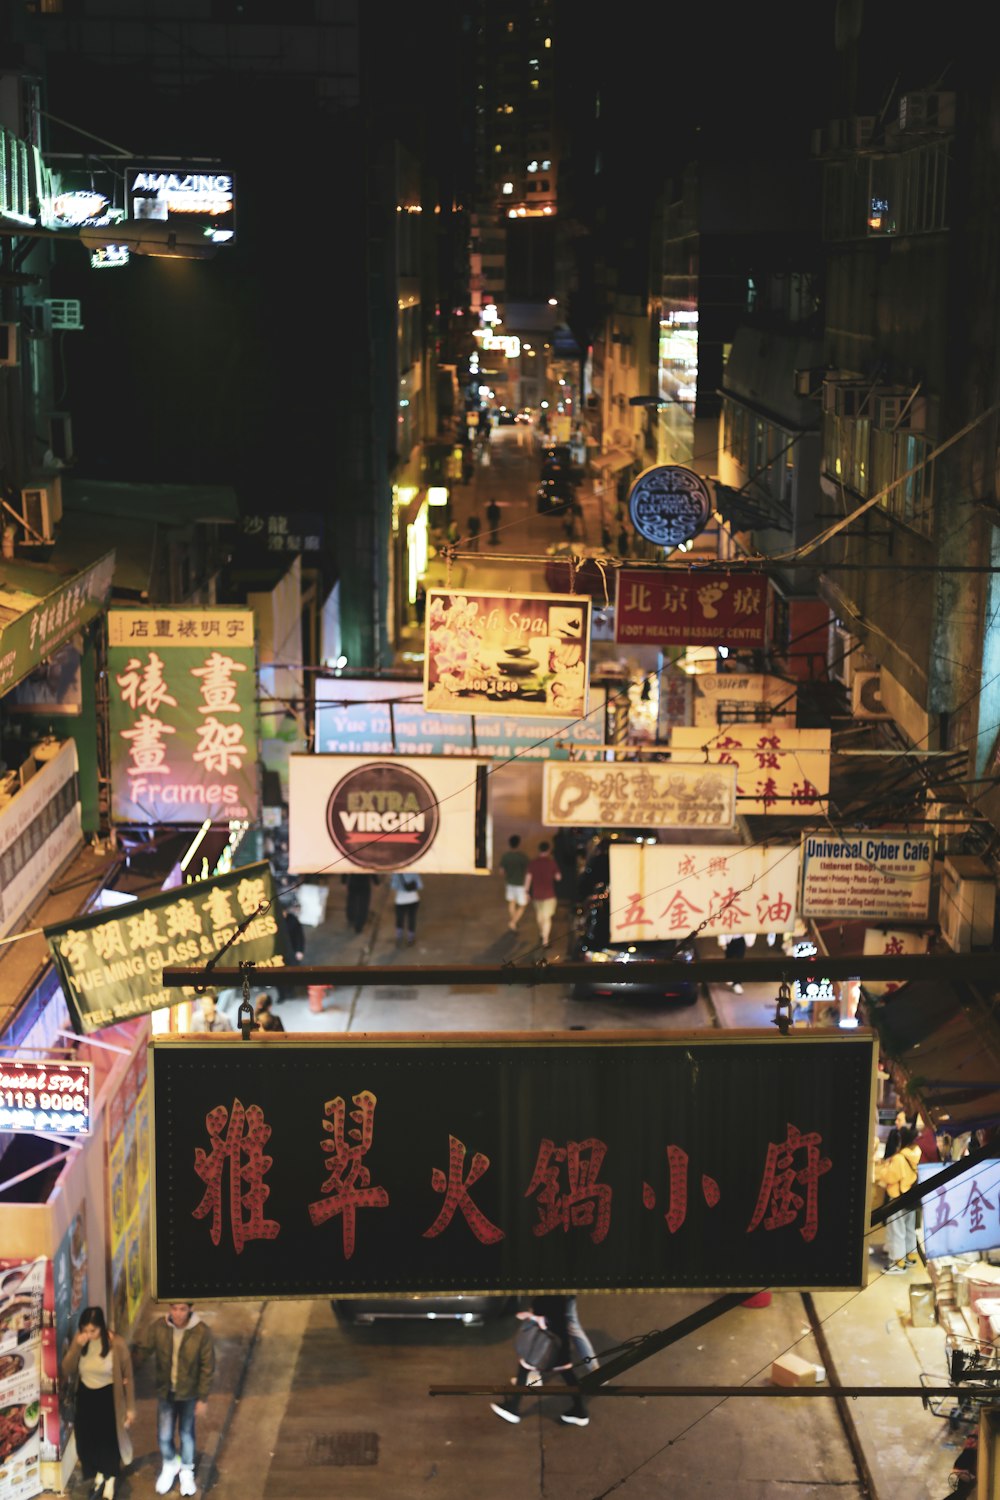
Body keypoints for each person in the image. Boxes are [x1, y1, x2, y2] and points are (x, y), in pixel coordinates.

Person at [142, 1301, 215, 1496]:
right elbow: (143, 1350)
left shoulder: (201, 1332)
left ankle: (186, 1471)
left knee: (186, 1435)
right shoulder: (159, 1327)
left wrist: (203, 1398)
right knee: (164, 1435)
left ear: (191, 1309)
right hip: (166, 1392)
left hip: (189, 1393)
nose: (178, 1313)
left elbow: (207, 1367)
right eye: (174, 1308)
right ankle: (170, 1463)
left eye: (182, 1309)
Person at [61, 1306, 135, 1500]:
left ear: (101, 1327)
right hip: (86, 1396)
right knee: (88, 1440)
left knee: (108, 1441)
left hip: (108, 1397)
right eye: (85, 1330)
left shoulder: (116, 1344)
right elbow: (66, 1368)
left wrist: (130, 1408)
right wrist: (77, 1345)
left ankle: (110, 1478)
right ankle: (100, 1473)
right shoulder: (81, 1341)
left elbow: (128, 1376)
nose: (88, 1334)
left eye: (92, 1330)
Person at [490, 1295, 590, 1427]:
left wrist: (528, 1316)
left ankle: (513, 1408)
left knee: (525, 1367)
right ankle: (580, 1411)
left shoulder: (549, 1296)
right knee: (567, 1373)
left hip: (547, 1340)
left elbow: (545, 1320)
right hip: (559, 1338)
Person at [879, 1125, 922, 1272]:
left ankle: (898, 1262)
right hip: (911, 1196)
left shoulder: (899, 1158)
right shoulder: (917, 1154)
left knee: (896, 1229)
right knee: (909, 1228)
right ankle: (911, 1256)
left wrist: (884, 1167)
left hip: (897, 1197)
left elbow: (889, 1176)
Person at [526, 841, 561, 948]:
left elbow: (528, 878)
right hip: (549, 895)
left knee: (540, 916)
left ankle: (542, 933)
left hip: (537, 895)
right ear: (548, 850)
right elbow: (558, 877)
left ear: (539, 850)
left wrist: (526, 891)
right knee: (547, 918)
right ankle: (545, 940)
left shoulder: (533, 863)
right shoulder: (551, 863)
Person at [499, 834, 530, 932]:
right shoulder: (523, 857)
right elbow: (528, 871)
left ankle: (514, 921)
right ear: (519, 844)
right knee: (522, 905)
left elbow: (501, 872)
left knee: (512, 902)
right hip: (520, 884)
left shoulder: (506, 856)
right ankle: (513, 922)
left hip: (510, 883)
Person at [390, 869, 423, 945]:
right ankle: (410, 938)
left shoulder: (396, 873)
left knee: (400, 919)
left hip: (400, 900)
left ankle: (399, 937)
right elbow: (420, 885)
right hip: (414, 899)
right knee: (412, 918)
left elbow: (393, 886)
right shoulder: (414, 871)